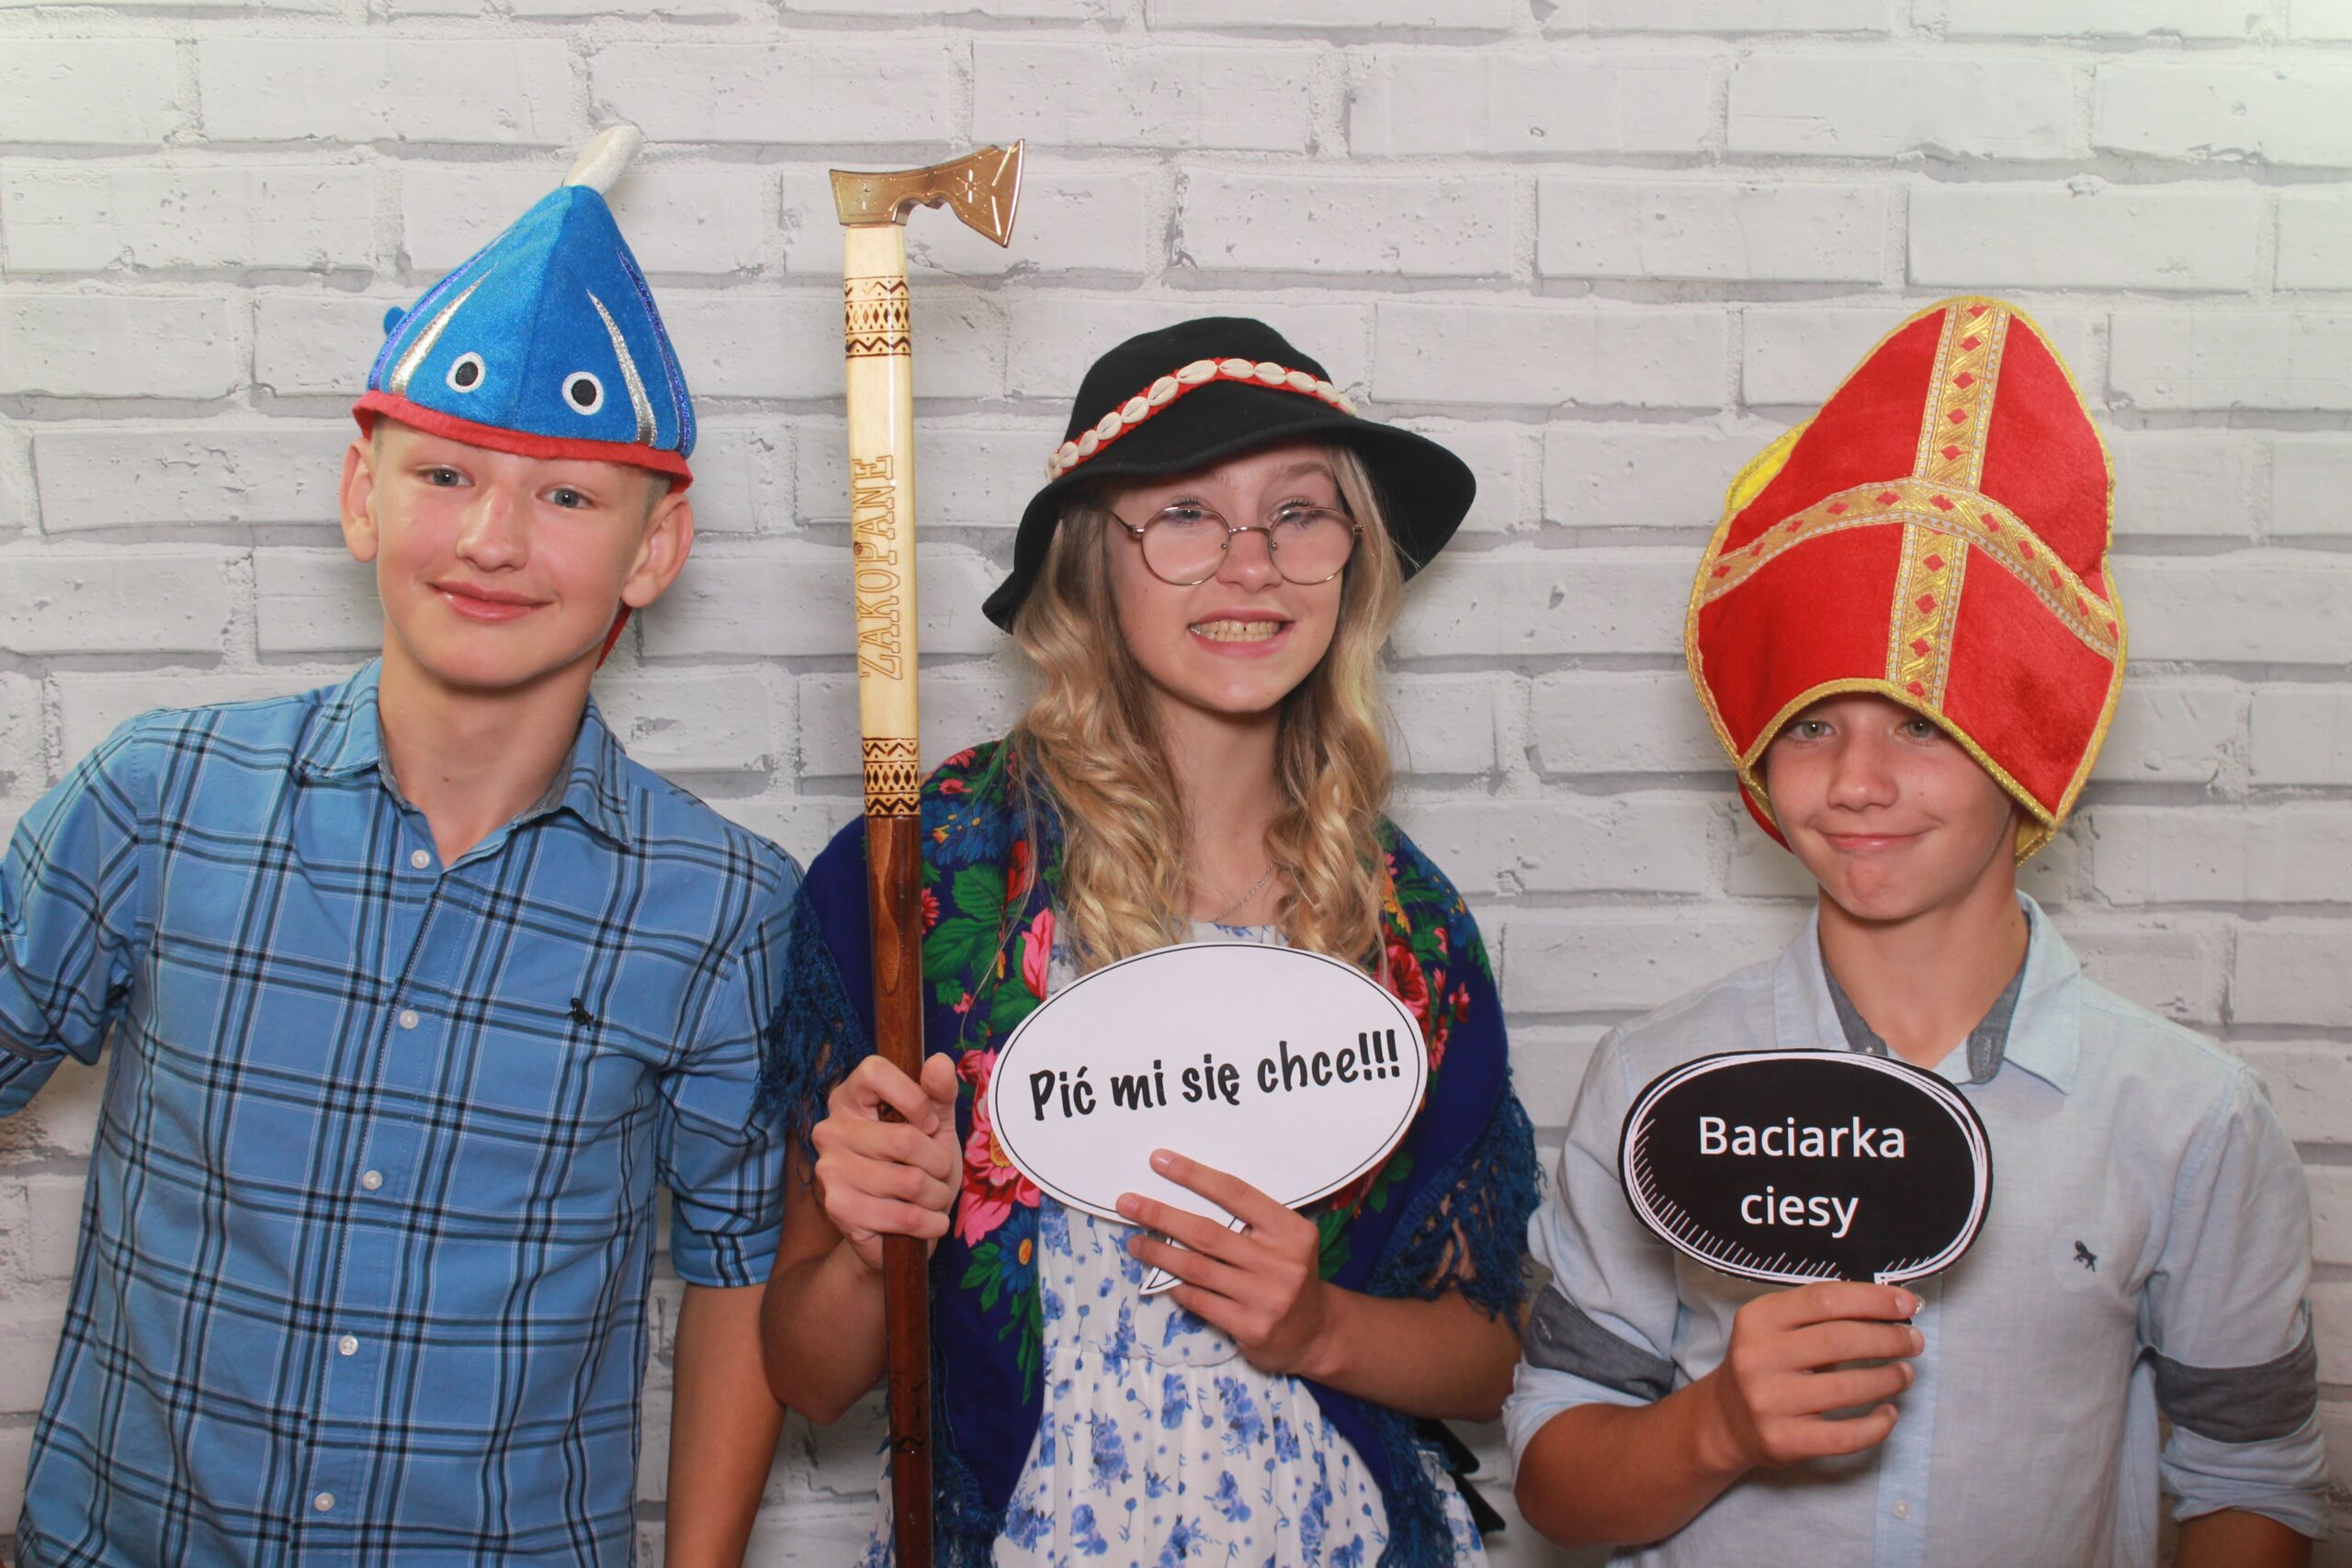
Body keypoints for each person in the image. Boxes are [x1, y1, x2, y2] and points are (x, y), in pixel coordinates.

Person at [0, 131, 793, 1565]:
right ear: (362, 494)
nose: (492, 539)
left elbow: (739, 1274)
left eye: (567, 496)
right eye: (444, 475)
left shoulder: (722, 909)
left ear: (655, 548)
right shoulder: (155, 802)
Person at [1506, 296, 2325, 1566]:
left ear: (2022, 751)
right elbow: (1556, 1484)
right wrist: (1718, 1424)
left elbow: (2252, 1480)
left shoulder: (2185, 1117)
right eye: (1813, 727)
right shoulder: (1658, 1080)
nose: (1857, 784)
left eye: (1922, 726)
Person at [755, 318, 1541, 1566]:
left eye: (1300, 514)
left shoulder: (1406, 923)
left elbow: (1488, 1356)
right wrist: (871, 1247)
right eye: (1184, 514)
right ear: (1090, 565)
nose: (1252, 565)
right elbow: (809, 1378)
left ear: (1352, 560)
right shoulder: (925, 882)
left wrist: (1320, 1328)